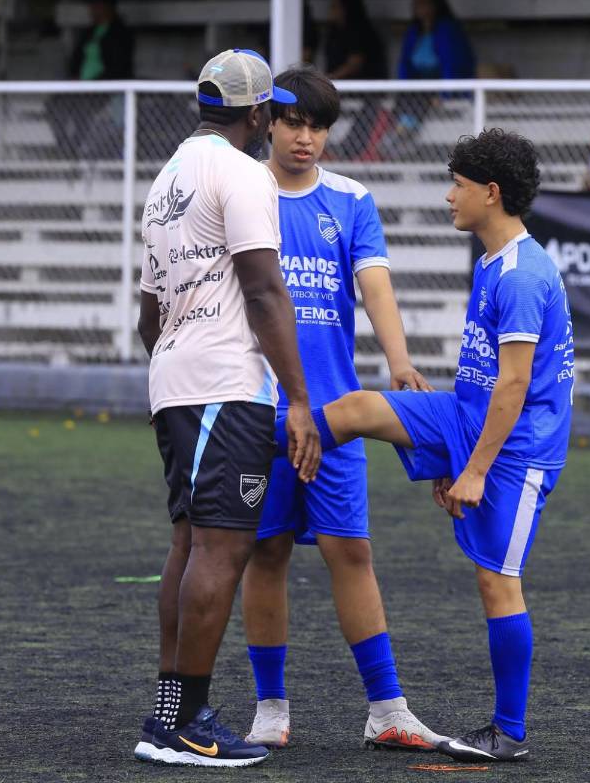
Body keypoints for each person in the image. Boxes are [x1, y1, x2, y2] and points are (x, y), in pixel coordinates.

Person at [274, 128, 574, 763]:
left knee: (499, 584)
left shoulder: (521, 273)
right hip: (465, 415)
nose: (448, 197)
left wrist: (474, 470)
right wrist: (451, 453)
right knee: (356, 410)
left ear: (491, 194)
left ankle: (509, 732)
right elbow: (493, 381)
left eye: (458, 185)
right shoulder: (495, 260)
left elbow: (516, 385)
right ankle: (248, 445)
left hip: (515, 450)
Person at [236, 67, 443, 753]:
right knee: (264, 554)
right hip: (259, 416)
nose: (307, 138)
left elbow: (376, 288)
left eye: (319, 127)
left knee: (351, 552)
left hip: (336, 417)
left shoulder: (351, 200)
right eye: (295, 123)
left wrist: (400, 360)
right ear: (268, 121)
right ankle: (269, 707)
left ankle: (386, 708)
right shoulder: (242, 191)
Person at [131, 49, 322, 768]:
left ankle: (172, 714)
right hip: (223, 383)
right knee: (223, 547)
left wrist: (169, 366)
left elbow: (149, 312)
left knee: (189, 544)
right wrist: (298, 398)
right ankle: (183, 725)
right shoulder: (244, 173)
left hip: (176, 378)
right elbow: (265, 290)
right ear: (260, 114)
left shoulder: (167, 178)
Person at [45, 0, 135, 158]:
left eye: (97, 6)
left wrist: (96, 83)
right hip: (80, 87)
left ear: (109, 7)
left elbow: (119, 67)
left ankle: (75, 149)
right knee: (53, 105)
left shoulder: (120, 33)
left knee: (84, 111)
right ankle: (66, 148)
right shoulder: (88, 32)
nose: (92, 10)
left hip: (105, 88)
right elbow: (75, 61)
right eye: (92, 6)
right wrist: (74, 79)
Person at [392, 0, 476, 143]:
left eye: (423, 1)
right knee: (404, 99)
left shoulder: (447, 29)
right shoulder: (413, 31)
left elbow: (451, 65)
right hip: (419, 88)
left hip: (446, 88)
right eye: (416, 2)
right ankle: (399, 134)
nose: (418, 6)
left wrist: (445, 94)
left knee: (420, 101)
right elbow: (405, 65)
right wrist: (403, 88)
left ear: (435, 4)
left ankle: (404, 136)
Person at [323, 0, 389, 158]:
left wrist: (330, 78)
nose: (332, 11)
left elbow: (355, 62)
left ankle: (349, 153)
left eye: (336, 6)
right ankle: (326, 150)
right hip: (339, 91)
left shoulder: (360, 30)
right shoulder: (334, 32)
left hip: (368, 92)